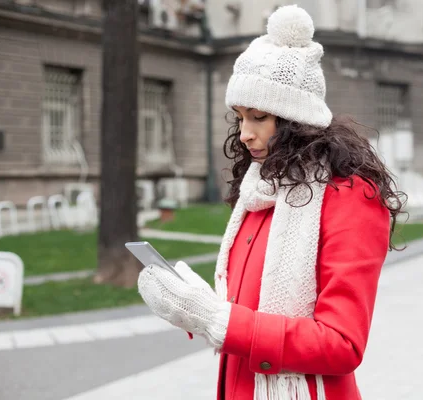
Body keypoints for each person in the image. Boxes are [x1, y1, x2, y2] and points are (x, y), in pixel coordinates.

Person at [137, 4, 405, 399]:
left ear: (294, 119)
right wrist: (190, 305)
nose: (244, 134)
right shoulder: (259, 190)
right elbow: (242, 310)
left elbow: (342, 344)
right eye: (240, 117)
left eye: (258, 116)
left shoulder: (349, 197)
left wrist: (217, 319)